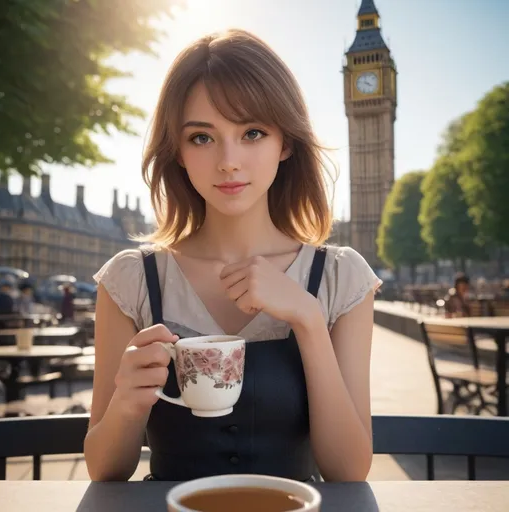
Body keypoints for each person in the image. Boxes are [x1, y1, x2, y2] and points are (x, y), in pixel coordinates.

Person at [84, 29, 382, 483]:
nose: (228, 161)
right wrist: (125, 400)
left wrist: (307, 317)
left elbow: (349, 470)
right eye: (202, 137)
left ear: (286, 143)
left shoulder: (340, 278)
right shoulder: (132, 280)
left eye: (253, 133)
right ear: (178, 153)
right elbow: (105, 470)